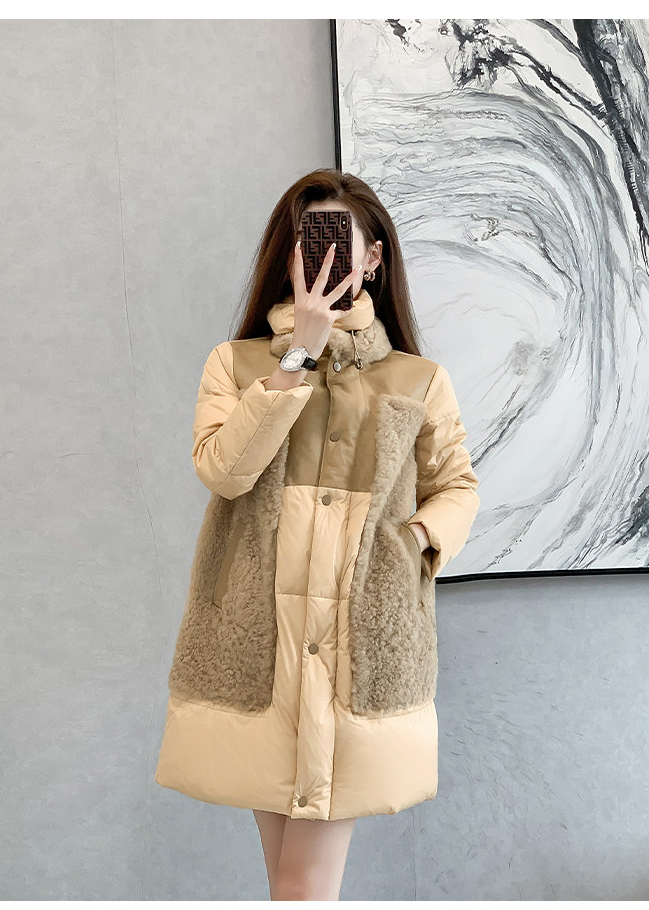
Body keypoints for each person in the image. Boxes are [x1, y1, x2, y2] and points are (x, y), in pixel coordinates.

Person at [155, 168, 480, 900]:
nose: (321, 256)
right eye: (306, 241)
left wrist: (411, 545)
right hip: (259, 647)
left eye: (337, 240)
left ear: (374, 258)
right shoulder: (236, 364)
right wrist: (297, 354)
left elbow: (457, 487)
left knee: (300, 887)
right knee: (293, 886)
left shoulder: (418, 379)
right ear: (287, 254)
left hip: (357, 646)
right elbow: (224, 472)